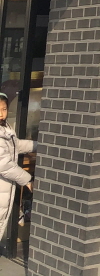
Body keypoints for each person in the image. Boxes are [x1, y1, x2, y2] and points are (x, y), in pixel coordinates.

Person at [0, 93, 34, 252]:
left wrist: (38, 145)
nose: (1, 113)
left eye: (4, 109)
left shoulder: (5, 128)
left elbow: (16, 145)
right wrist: (27, 180)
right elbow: (4, 164)